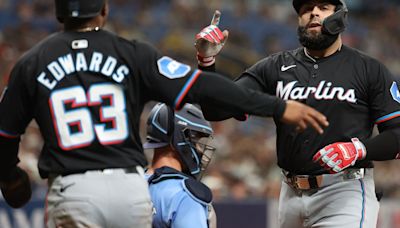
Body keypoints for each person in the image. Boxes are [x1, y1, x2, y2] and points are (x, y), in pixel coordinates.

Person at [0, 0, 329, 227]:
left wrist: (12, 178)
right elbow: (203, 87)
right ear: (104, 10)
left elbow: (4, 137)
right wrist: (277, 106)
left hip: (73, 189)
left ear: (58, 14)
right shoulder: (132, 53)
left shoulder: (31, 63)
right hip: (129, 192)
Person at [195, 1, 400, 227]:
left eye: (323, 7)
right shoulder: (274, 67)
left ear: (340, 15)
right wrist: (207, 62)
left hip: (344, 191)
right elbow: (216, 109)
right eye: (305, 9)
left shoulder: (368, 69)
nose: (313, 12)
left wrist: (358, 149)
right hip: (290, 193)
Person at [144, 102, 217, 228]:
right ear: (178, 137)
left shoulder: (133, 184)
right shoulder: (184, 195)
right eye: (196, 140)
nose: (199, 149)